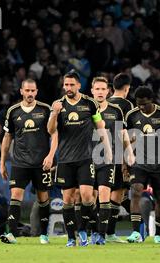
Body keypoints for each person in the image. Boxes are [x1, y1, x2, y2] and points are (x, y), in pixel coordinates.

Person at [48, 71, 112, 247]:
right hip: (65, 160)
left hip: (85, 158)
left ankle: (83, 229)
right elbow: (50, 130)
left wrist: (107, 150)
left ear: (78, 86)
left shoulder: (89, 104)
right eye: (66, 85)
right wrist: (54, 114)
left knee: (86, 196)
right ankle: (71, 237)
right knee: (68, 199)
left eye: (71, 85)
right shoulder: (57, 105)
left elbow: (101, 127)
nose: (68, 88)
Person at [0, 79, 58, 245]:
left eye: (33, 91)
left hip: (42, 163)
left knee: (43, 198)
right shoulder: (13, 111)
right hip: (20, 163)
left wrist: (51, 156)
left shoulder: (46, 109)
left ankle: (44, 234)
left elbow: (54, 134)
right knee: (15, 195)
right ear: (21, 91)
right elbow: (7, 137)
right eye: (27, 90)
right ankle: (11, 234)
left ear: (36, 92)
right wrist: (2, 162)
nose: (30, 94)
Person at [124, 86, 160, 243]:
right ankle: (135, 232)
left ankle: (159, 234)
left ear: (152, 100)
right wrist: (126, 157)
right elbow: (126, 137)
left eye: (144, 104)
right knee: (136, 191)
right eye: (138, 104)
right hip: (139, 163)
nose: (141, 107)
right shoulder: (132, 115)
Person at [90, 76, 134, 245]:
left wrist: (129, 152)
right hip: (89, 158)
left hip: (112, 158)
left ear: (108, 91)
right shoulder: (86, 109)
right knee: (88, 197)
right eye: (97, 89)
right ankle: (90, 232)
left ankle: (108, 233)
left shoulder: (116, 110)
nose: (100, 92)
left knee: (114, 195)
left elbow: (122, 133)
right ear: (92, 91)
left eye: (103, 89)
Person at [106, 72, 135, 243]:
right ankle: (109, 233)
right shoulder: (127, 105)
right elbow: (129, 134)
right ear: (127, 88)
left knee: (100, 193)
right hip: (119, 154)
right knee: (118, 193)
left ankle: (94, 231)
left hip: (100, 153)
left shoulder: (105, 103)